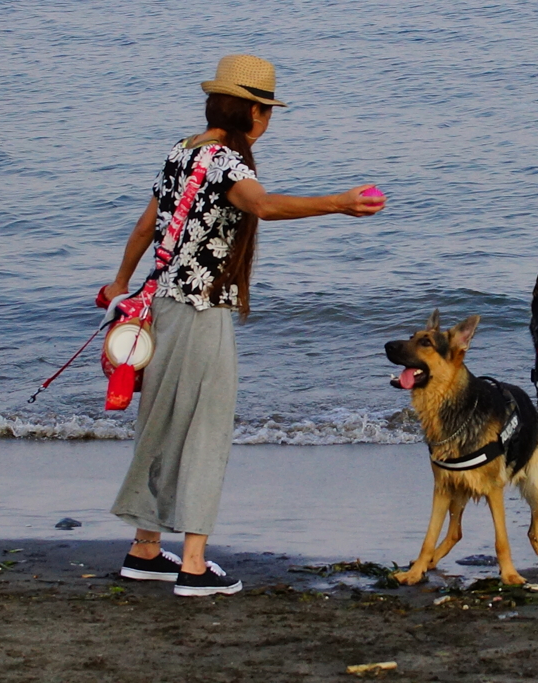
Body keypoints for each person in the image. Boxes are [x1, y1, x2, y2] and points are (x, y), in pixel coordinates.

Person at [101, 54, 385, 597]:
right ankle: (193, 564)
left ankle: (144, 549)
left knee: (159, 424)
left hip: (160, 304)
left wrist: (119, 283)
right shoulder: (230, 163)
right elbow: (265, 206)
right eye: (267, 110)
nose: (269, 120)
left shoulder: (181, 152)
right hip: (202, 312)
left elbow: (146, 225)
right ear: (253, 111)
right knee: (204, 429)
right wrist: (339, 204)